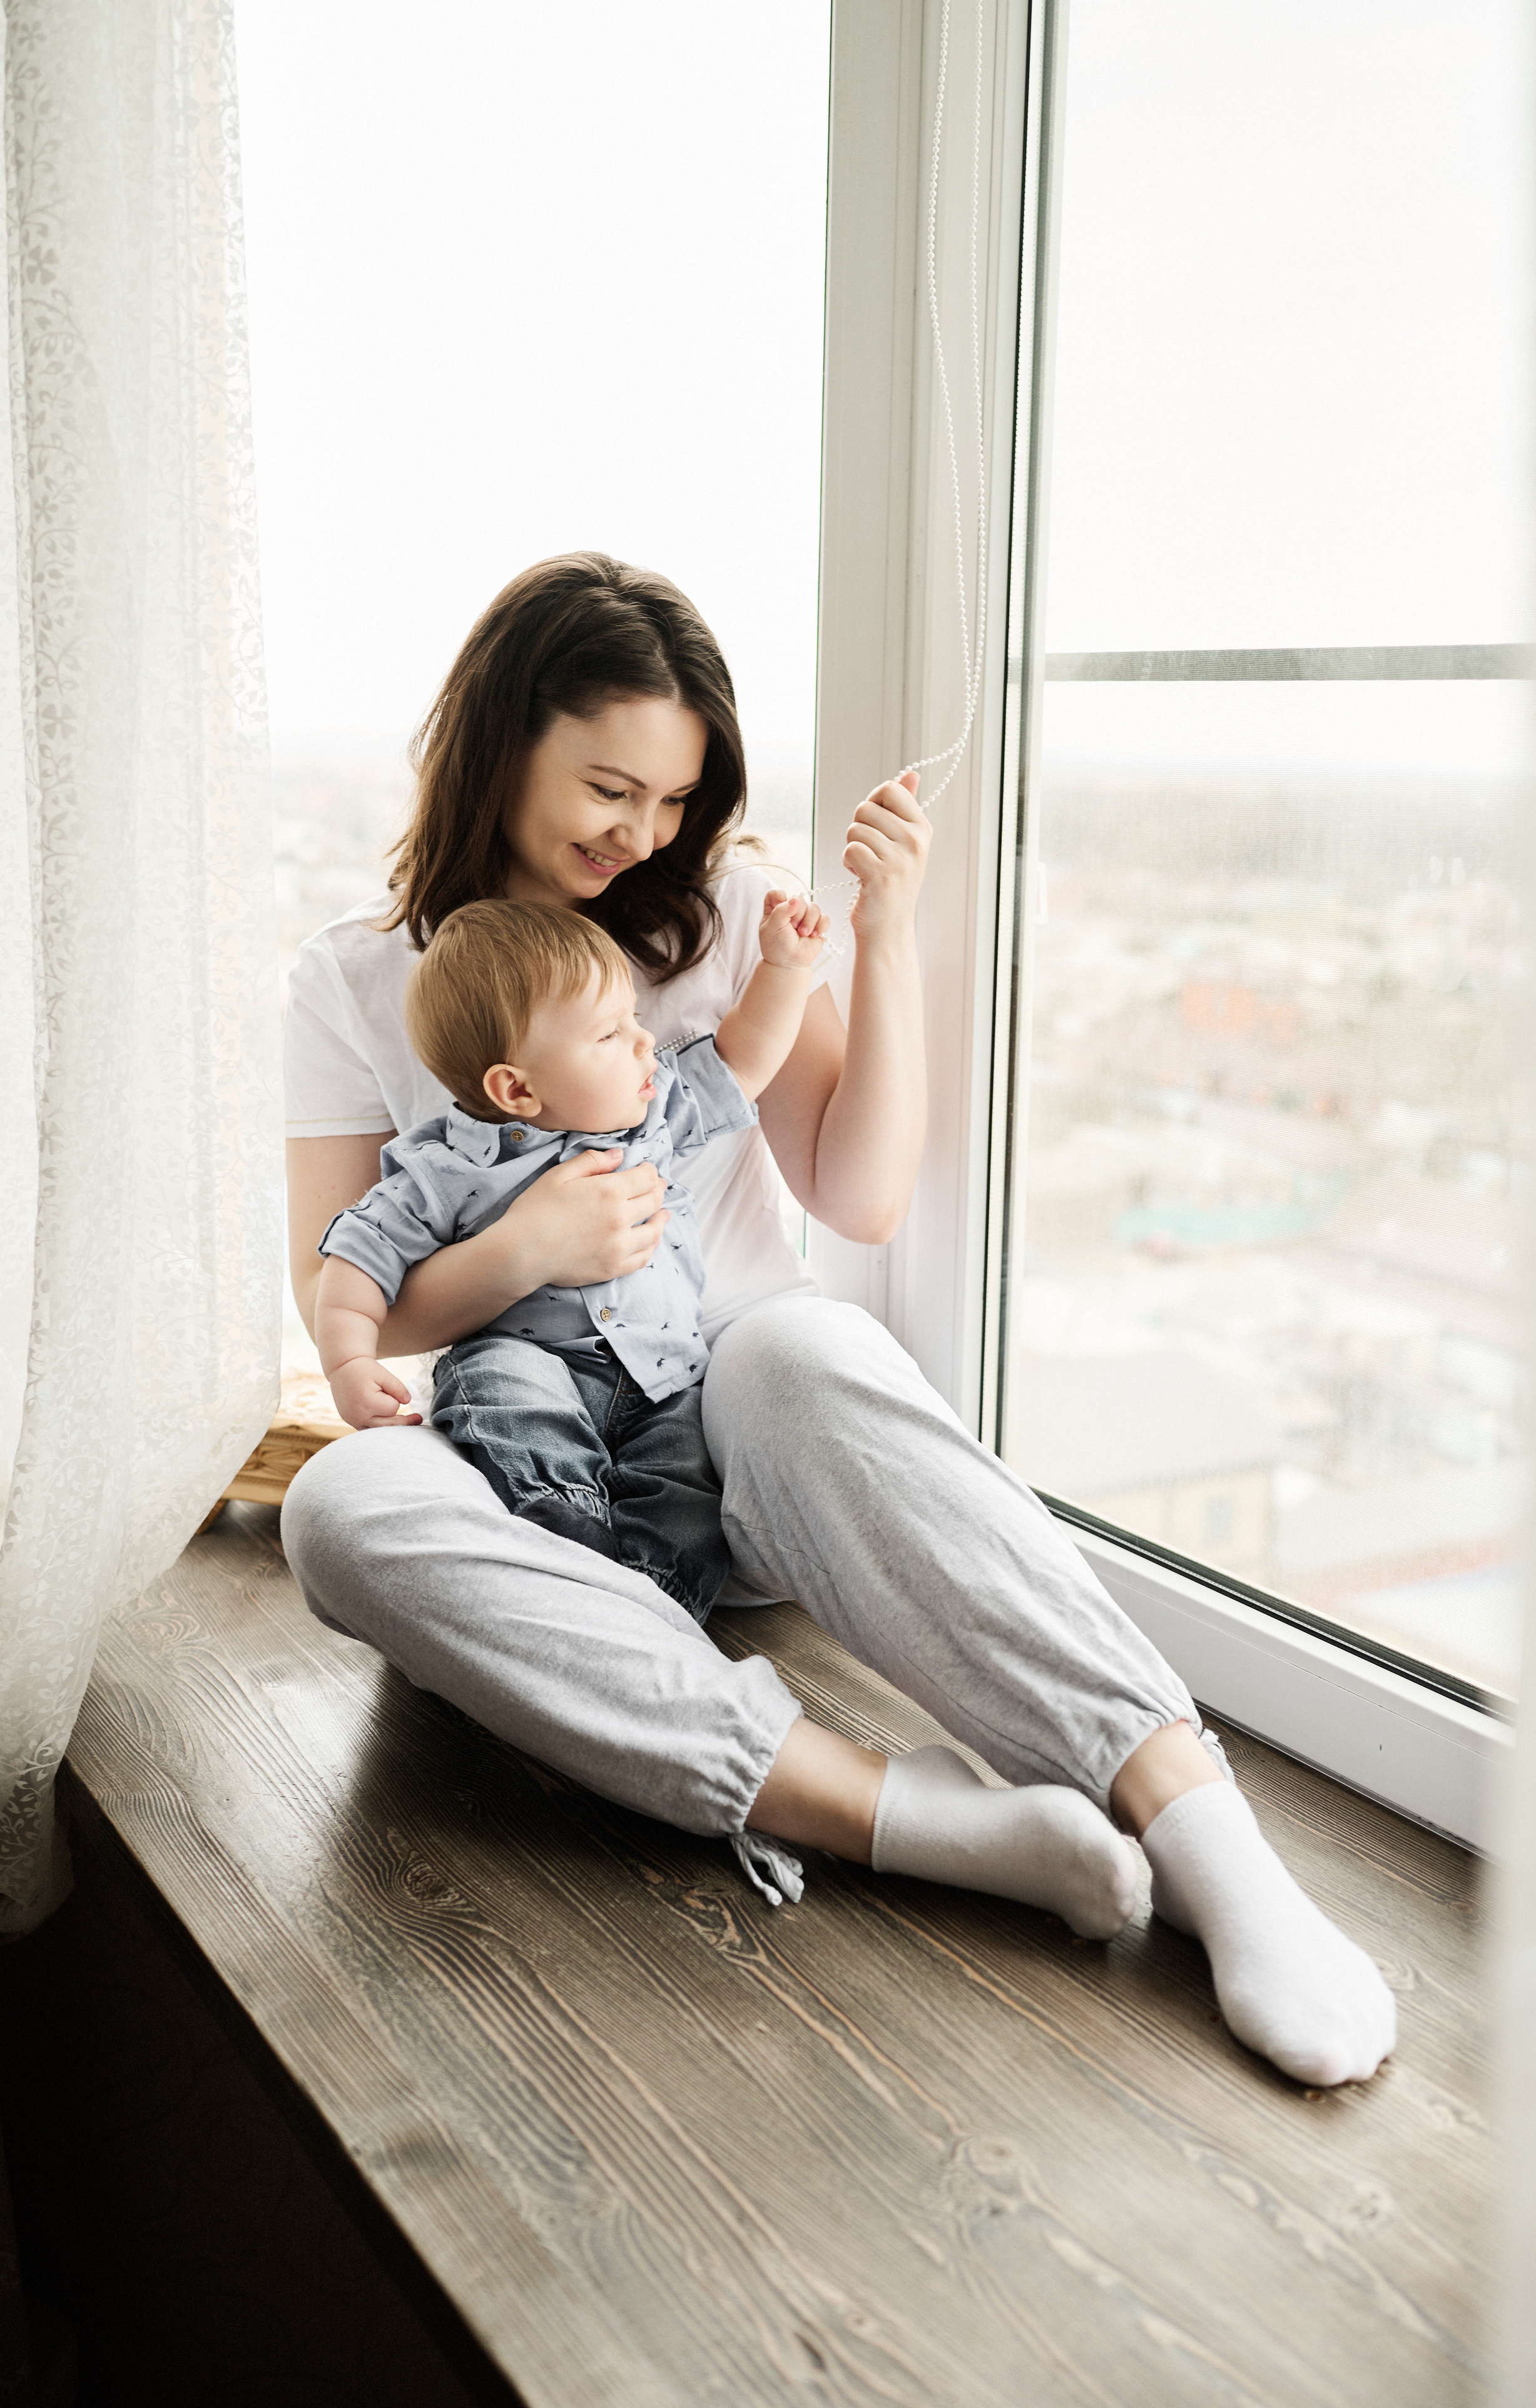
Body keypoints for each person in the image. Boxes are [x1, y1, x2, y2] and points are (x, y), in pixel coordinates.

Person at [281, 551, 1396, 2087]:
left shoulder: (726, 915)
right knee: (337, 1511)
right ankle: (900, 1814)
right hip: (530, 1465)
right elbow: (350, 1294)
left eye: (672, 799)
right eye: (608, 785)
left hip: (742, 1444)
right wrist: (522, 1243)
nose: (641, 834)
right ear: (499, 738)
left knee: (800, 1345)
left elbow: (857, 1193)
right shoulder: (353, 980)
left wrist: (881, 933)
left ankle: (1201, 1831)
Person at [315, 890, 828, 1623]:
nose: (645, 1043)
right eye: (610, 1034)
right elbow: (357, 1255)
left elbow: (743, 1060)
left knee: (687, 1496)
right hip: (529, 1362)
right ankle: (565, 1530)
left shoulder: (652, 1119)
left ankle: (650, 1610)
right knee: (500, 1388)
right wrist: (348, 1361)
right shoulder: (447, 1165)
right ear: (516, 1087)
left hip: (663, 1380)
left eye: (636, 1021)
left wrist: (782, 966)